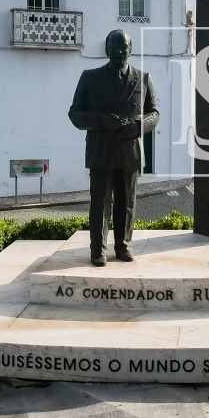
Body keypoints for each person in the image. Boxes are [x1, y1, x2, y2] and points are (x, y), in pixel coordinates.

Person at [68, 30, 159, 266]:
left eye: (124, 46)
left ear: (131, 49)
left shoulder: (143, 78)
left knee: (127, 202)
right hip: (101, 150)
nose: (119, 51)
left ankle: (123, 245)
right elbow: (75, 114)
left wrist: (139, 126)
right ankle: (97, 249)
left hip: (130, 150)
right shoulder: (90, 77)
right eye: (115, 46)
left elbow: (154, 113)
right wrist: (101, 121)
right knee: (99, 202)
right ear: (106, 49)